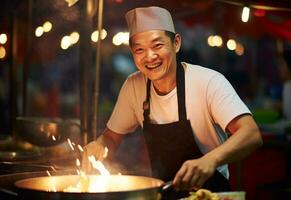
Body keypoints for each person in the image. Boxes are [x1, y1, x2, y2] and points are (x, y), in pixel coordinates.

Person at [82, 6, 262, 199]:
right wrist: (99, 146)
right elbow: (111, 138)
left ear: (176, 43)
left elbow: (251, 134)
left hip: (210, 194)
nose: (149, 57)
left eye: (157, 45)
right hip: (164, 193)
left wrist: (210, 160)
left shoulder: (208, 82)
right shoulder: (133, 86)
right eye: (139, 50)